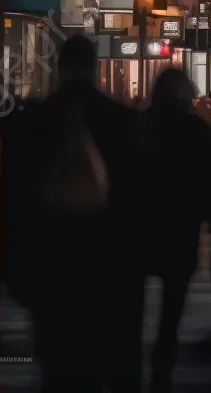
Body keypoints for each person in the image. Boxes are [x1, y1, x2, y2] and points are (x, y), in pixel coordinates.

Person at [5, 35, 145, 391]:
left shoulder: (34, 122)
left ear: (59, 67)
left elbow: (16, 198)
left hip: (53, 263)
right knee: (112, 360)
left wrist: (16, 270)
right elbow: (139, 198)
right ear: (96, 66)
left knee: (60, 368)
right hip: (111, 264)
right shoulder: (122, 121)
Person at [143, 69, 211, 392]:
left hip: (141, 224)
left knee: (132, 294)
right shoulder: (198, 131)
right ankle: (163, 358)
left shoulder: (138, 127)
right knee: (174, 298)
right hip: (182, 224)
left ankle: (128, 358)